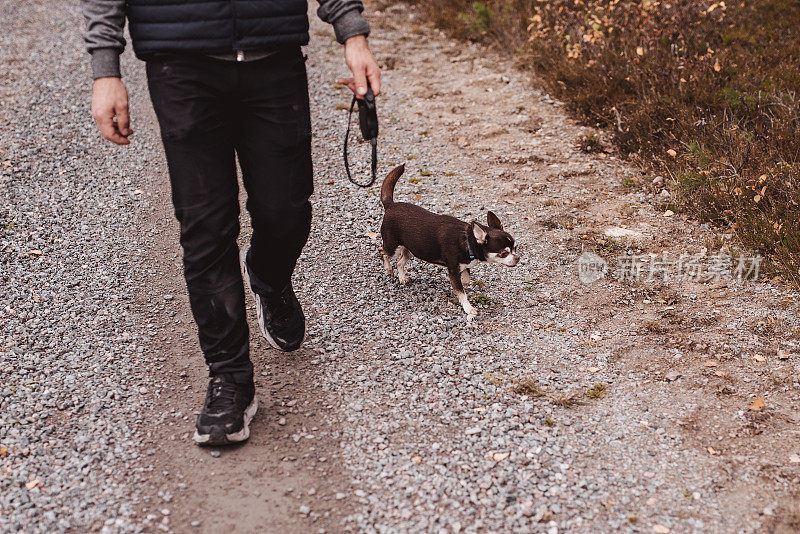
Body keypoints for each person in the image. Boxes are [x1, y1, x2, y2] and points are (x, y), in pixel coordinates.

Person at [82, 0, 381, 446]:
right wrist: (106, 70)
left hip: (273, 57)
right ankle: (230, 378)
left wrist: (352, 33)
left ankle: (268, 274)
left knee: (288, 211)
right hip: (180, 66)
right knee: (205, 226)